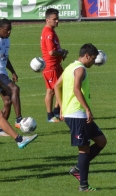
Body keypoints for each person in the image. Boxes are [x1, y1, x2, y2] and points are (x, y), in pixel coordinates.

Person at [54, 43, 107, 191]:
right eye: (93, 59)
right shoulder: (79, 69)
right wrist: (87, 109)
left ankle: (78, 168)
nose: (94, 62)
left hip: (77, 113)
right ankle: (83, 185)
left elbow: (57, 86)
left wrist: (61, 107)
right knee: (84, 149)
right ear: (87, 56)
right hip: (78, 114)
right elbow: (76, 89)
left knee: (101, 141)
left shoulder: (70, 67)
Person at [40, 8, 69, 122]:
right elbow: (51, 52)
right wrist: (61, 53)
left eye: (58, 19)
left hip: (56, 64)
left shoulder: (51, 31)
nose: (57, 21)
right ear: (47, 20)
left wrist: (61, 54)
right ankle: (50, 115)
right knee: (51, 90)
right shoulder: (48, 33)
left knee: (62, 86)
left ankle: (57, 111)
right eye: (54, 19)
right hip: (50, 66)